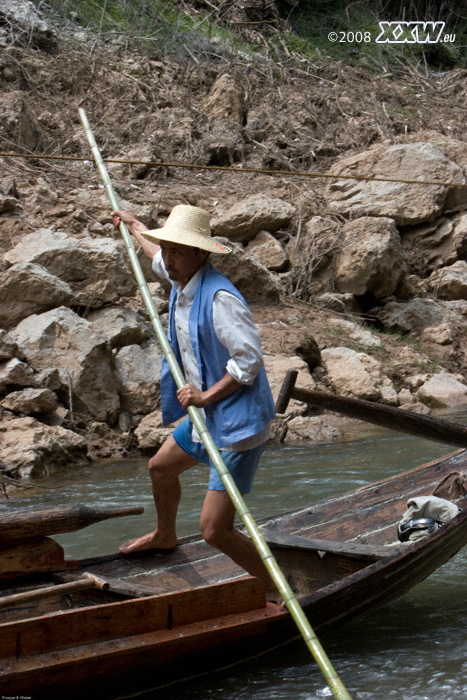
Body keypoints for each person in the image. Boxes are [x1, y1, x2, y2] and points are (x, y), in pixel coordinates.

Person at [111, 204, 277, 596]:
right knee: (161, 468)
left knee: (213, 531)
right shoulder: (178, 276)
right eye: (167, 248)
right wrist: (134, 226)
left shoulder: (221, 299)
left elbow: (249, 360)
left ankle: (277, 586)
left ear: (201, 254)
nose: (168, 257)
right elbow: (154, 257)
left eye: (177, 250)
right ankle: (165, 534)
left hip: (237, 426)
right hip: (208, 418)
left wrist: (206, 396)